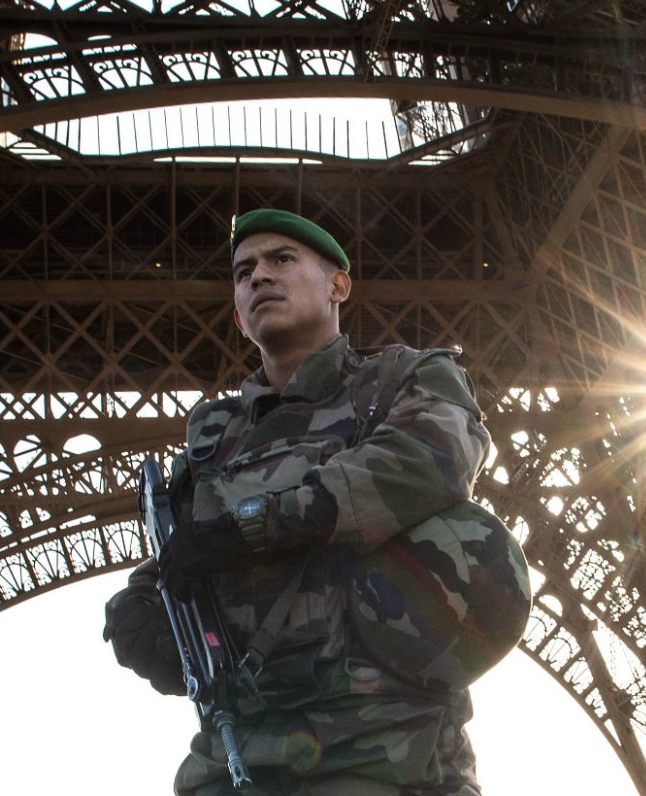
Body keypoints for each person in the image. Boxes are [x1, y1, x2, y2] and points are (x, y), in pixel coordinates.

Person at [103, 208, 530, 795]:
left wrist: (253, 525)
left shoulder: (402, 379)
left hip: (383, 753)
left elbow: (426, 462)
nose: (258, 277)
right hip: (235, 755)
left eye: (282, 259)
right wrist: (137, 610)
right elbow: (180, 556)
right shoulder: (212, 439)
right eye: (243, 270)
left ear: (338, 285)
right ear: (236, 311)